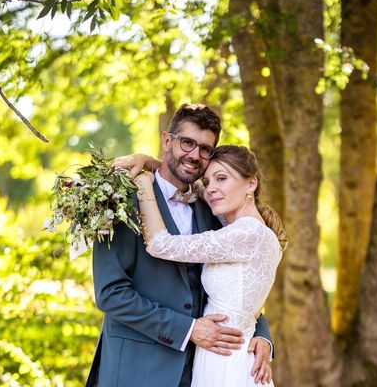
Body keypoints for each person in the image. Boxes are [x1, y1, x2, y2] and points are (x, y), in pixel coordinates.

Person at [86, 104, 274, 387]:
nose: (195, 155)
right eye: (187, 142)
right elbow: (111, 293)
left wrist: (262, 335)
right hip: (135, 371)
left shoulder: (212, 208)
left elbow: (240, 282)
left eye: (205, 149)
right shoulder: (120, 203)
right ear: (167, 140)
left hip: (201, 371)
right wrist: (188, 329)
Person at [133, 144, 287, 387]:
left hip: (227, 361)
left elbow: (160, 244)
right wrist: (150, 161)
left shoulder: (247, 233)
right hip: (223, 353)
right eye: (207, 181)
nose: (211, 188)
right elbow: (198, 190)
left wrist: (143, 186)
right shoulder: (244, 230)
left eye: (222, 178)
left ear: (251, 184)